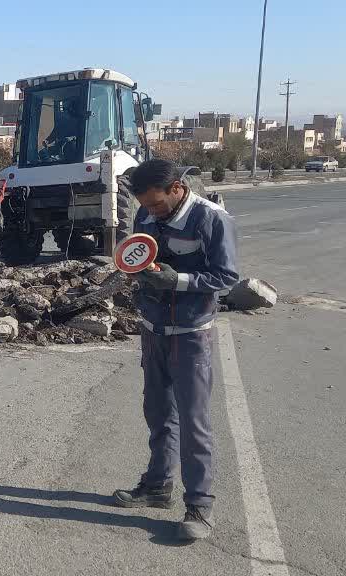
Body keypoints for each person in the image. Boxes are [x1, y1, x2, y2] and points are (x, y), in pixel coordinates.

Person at [112, 159, 238, 541]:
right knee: (158, 411)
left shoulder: (211, 219)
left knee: (194, 422)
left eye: (157, 205)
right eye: (146, 207)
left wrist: (178, 280)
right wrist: (137, 275)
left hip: (191, 333)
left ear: (177, 189)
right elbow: (137, 257)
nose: (151, 213)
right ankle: (157, 486)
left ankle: (199, 505)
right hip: (153, 329)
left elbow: (227, 275)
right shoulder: (146, 219)